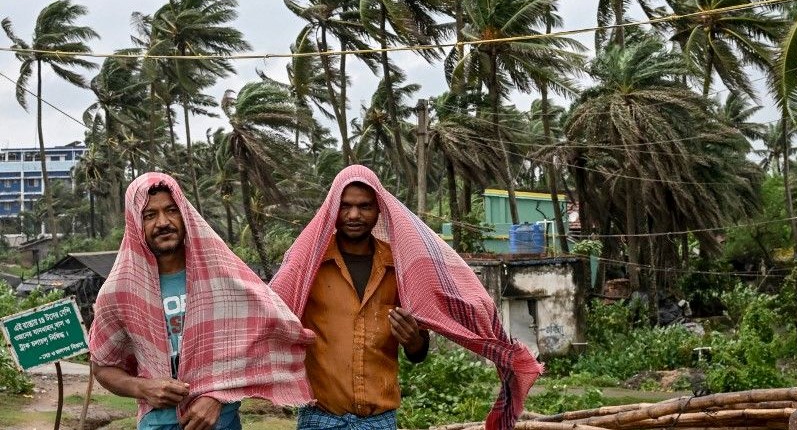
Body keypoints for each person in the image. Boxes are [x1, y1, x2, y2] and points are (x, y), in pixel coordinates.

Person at [272, 165, 543, 430]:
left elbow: (418, 350)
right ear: (333, 209)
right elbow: (273, 315)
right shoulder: (308, 267)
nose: (354, 214)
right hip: (320, 418)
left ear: (379, 209)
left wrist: (414, 341)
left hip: (379, 421)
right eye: (345, 206)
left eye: (365, 206)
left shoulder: (400, 267)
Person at [88, 172, 314, 430]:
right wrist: (143, 387)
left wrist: (218, 396)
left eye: (171, 210)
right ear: (135, 223)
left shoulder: (222, 276)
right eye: (149, 215)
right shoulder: (120, 291)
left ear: (185, 213)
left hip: (220, 421)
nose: (163, 222)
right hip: (158, 424)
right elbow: (104, 367)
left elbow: (257, 340)